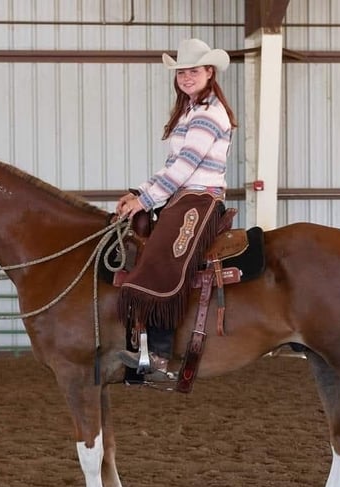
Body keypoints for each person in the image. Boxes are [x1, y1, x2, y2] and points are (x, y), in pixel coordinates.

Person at [115, 38, 237, 381]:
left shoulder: (209, 113)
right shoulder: (190, 111)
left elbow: (185, 167)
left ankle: (159, 355)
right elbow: (172, 166)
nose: (186, 77)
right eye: (181, 71)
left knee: (164, 256)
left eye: (193, 70)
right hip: (181, 198)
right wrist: (141, 192)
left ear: (209, 72)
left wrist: (145, 200)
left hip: (200, 199)